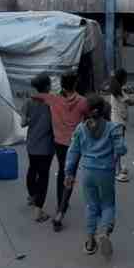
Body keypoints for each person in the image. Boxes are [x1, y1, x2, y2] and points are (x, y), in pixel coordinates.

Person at [65, 94, 127, 259]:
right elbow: (121, 149)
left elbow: (73, 152)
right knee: (107, 204)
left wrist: (69, 172)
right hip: (106, 171)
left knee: (91, 206)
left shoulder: (80, 128)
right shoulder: (113, 127)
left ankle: (90, 242)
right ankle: (105, 233)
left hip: (87, 172)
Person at [35, 71, 88, 232]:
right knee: (69, 174)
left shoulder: (53, 99)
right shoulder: (83, 102)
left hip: (59, 142)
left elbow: (37, 96)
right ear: (76, 83)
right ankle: (60, 211)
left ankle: (61, 202)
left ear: (62, 85)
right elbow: (89, 116)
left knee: (62, 170)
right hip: (75, 144)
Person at [20, 74, 56, 223]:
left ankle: (32, 196)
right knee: (43, 176)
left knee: (32, 169)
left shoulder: (28, 102)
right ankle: (38, 211)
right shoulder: (53, 102)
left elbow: (22, 123)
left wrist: (29, 119)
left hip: (32, 144)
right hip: (46, 147)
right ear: (47, 87)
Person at [108, 69, 134, 182]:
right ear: (122, 79)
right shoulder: (118, 92)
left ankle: (118, 167)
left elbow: (124, 92)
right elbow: (129, 102)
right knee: (118, 148)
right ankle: (116, 172)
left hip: (117, 121)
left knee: (118, 147)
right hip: (118, 123)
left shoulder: (117, 89)